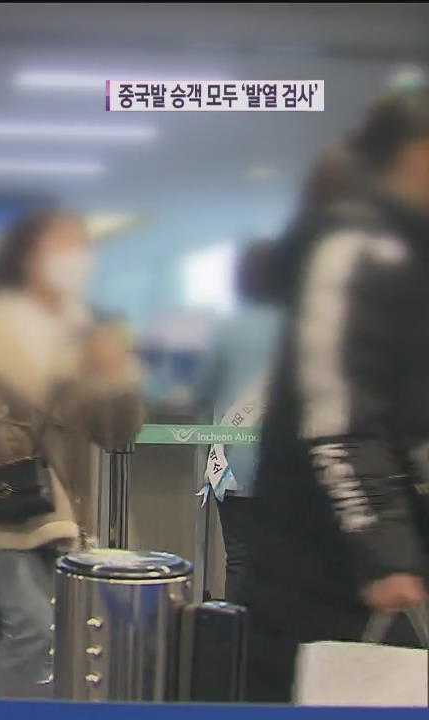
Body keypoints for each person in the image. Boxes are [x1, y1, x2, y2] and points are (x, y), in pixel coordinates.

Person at [0, 208, 144, 698]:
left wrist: (117, 375)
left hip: (63, 510)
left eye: (80, 246)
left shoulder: (85, 332)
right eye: (61, 246)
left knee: (25, 626)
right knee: (33, 625)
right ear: (27, 255)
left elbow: (116, 432)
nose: (74, 258)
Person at [244, 87, 429, 702]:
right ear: (417, 154)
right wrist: (383, 550)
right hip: (325, 556)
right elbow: (337, 413)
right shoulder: (355, 248)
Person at [192, 242, 283, 604]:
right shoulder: (299, 327)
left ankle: (235, 643)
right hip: (284, 465)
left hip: (231, 463)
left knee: (240, 557)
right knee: (283, 563)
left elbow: (203, 391)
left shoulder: (227, 329)